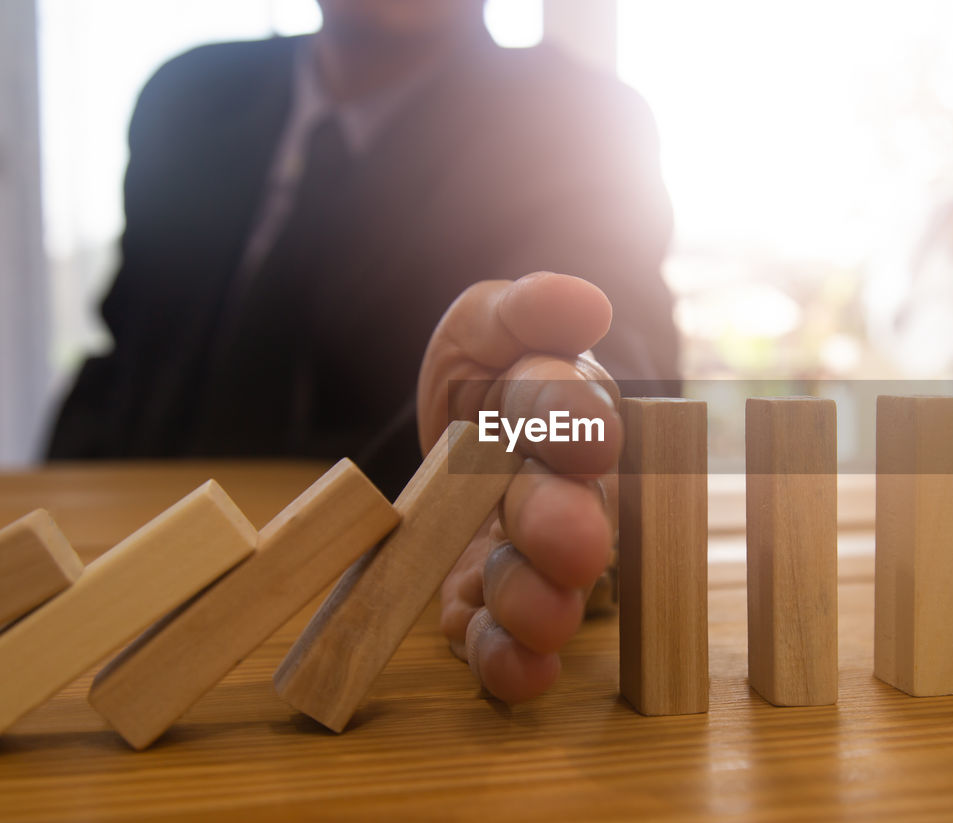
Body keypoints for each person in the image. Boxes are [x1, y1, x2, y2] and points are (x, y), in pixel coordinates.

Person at [47, 0, 680, 703]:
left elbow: (618, 332)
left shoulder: (578, 117)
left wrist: (564, 410)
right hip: (123, 552)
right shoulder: (189, 95)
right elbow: (127, 349)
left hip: (344, 580)